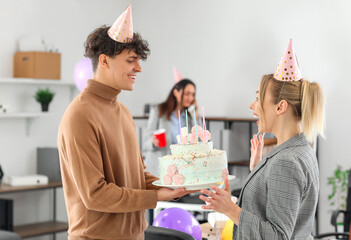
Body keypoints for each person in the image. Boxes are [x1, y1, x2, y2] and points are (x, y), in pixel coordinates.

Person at [57, 5, 193, 240]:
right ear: (105, 61)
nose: (138, 68)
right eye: (131, 60)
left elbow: (136, 177)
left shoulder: (123, 112)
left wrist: (169, 185)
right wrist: (156, 196)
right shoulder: (79, 115)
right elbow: (95, 194)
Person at [199, 39, 324, 239]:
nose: (252, 106)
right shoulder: (300, 149)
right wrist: (259, 169)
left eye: (258, 98)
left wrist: (230, 209)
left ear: (280, 107)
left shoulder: (286, 162)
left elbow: (277, 236)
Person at [143, 78, 199, 176]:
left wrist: (195, 117)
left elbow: (199, 142)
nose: (190, 98)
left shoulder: (189, 117)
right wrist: (153, 142)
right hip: (160, 167)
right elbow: (145, 143)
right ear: (175, 92)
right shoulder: (158, 111)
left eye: (193, 94)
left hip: (182, 169)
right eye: (187, 93)